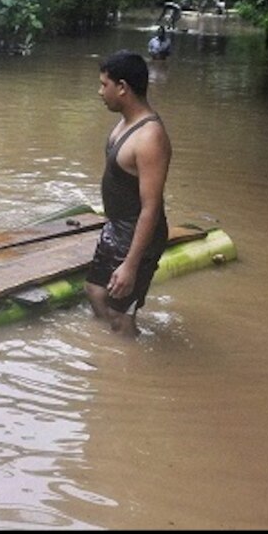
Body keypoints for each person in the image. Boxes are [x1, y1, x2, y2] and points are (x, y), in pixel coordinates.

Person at [84, 50, 172, 337]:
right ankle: (110, 347)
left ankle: (129, 366)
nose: (100, 92)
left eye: (104, 84)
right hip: (117, 227)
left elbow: (151, 207)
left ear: (122, 87)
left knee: (119, 314)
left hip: (138, 235)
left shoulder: (150, 138)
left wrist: (131, 265)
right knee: (96, 291)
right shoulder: (124, 123)